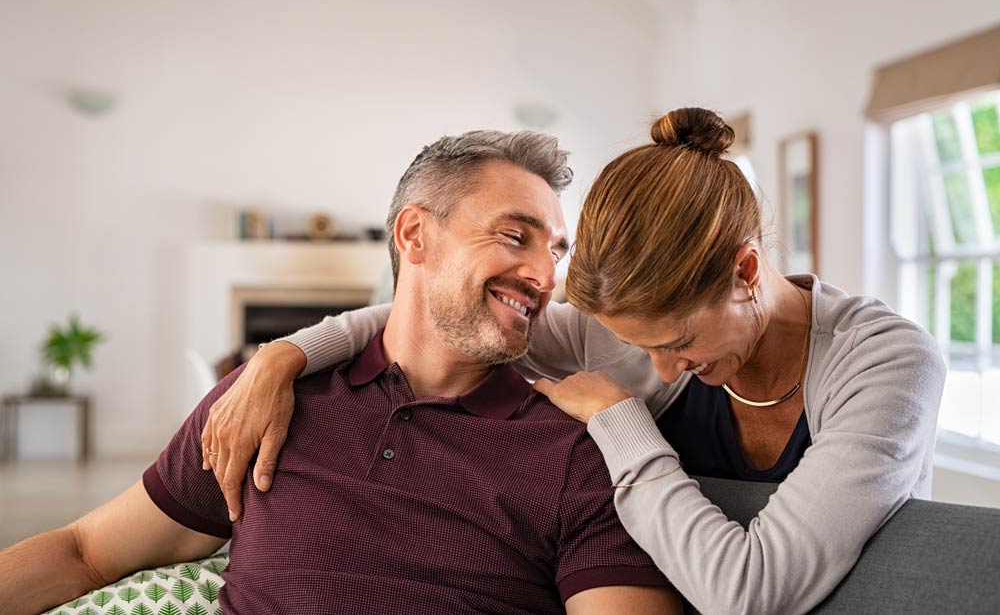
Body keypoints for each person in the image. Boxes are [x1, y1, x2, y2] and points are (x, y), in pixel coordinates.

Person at [203, 108, 947, 615]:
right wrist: (283, 355)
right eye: (641, 344)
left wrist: (621, 421)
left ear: (747, 271)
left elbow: (748, 590)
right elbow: (435, 316)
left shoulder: (885, 364)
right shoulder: (613, 337)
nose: (659, 369)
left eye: (678, 342)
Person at [0, 130, 679, 615]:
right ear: (414, 235)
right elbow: (87, 551)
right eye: (514, 235)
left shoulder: (575, 451)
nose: (544, 274)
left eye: (555, 248)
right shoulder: (264, 405)